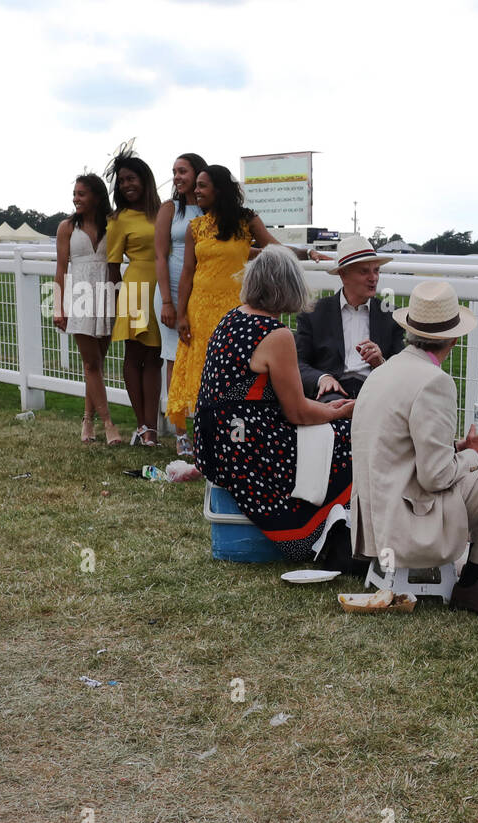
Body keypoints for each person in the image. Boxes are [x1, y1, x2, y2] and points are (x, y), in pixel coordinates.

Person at [350, 280, 478, 617]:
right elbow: (435, 477)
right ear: (454, 338)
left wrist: (460, 448)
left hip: (377, 521)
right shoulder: (434, 380)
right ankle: (476, 580)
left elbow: (397, 448)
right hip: (410, 524)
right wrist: (475, 454)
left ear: (410, 330)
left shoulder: (383, 372)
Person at [192, 245, 355, 560]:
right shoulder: (276, 334)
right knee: (349, 437)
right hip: (246, 449)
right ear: (290, 287)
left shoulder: (232, 318)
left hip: (216, 445)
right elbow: (297, 412)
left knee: (331, 426)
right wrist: (340, 411)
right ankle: (317, 533)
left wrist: (325, 412)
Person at [166, 165, 324, 435]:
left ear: (219, 189)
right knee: (202, 369)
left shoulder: (246, 220)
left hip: (236, 309)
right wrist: (181, 315)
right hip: (201, 308)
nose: (196, 191)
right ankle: (196, 433)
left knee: (235, 370)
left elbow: (274, 248)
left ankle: (231, 428)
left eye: (202, 186)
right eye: (197, 186)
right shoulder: (196, 227)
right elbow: (187, 273)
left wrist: (308, 251)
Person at [53, 173, 123, 446]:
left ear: (96, 195)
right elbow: (61, 269)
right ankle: (109, 424)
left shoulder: (112, 224)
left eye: (81, 193)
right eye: (74, 194)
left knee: (96, 365)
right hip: (80, 299)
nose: (75, 198)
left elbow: (116, 265)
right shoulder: (67, 227)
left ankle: (87, 421)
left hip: (107, 297)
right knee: (91, 363)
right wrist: (59, 308)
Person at [294, 236, 403, 400]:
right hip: (331, 393)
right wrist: (322, 379)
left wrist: (381, 363)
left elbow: (403, 369)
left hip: (376, 392)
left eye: (376, 270)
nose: (373, 278)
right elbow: (297, 363)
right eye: (364, 271)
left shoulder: (391, 316)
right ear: (343, 275)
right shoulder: (313, 313)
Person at [105, 152, 163, 446]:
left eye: (132, 178)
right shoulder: (118, 219)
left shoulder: (165, 211)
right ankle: (143, 426)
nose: (127, 184)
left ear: (145, 180)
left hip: (163, 289)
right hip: (136, 291)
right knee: (135, 356)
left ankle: (152, 427)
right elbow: (113, 265)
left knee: (155, 358)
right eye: (122, 180)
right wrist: (118, 302)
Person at [153, 152, 207, 457]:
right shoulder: (170, 209)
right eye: (174, 171)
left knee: (202, 360)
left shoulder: (211, 209)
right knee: (174, 359)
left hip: (202, 295)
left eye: (182, 170)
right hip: (171, 293)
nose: (177, 176)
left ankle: (203, 425)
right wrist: (168, 301)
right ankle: (180, 432)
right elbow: (160, 255)